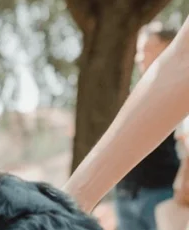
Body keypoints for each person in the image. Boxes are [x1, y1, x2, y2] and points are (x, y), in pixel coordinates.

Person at [64, 17, 189, 216]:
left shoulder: (172, 90)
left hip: (159, 190)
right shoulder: (131, 96)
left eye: (147, 49)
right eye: (139, 51)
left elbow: (183, 62)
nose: (139, 57)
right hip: (127, 192)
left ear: (167, 45)